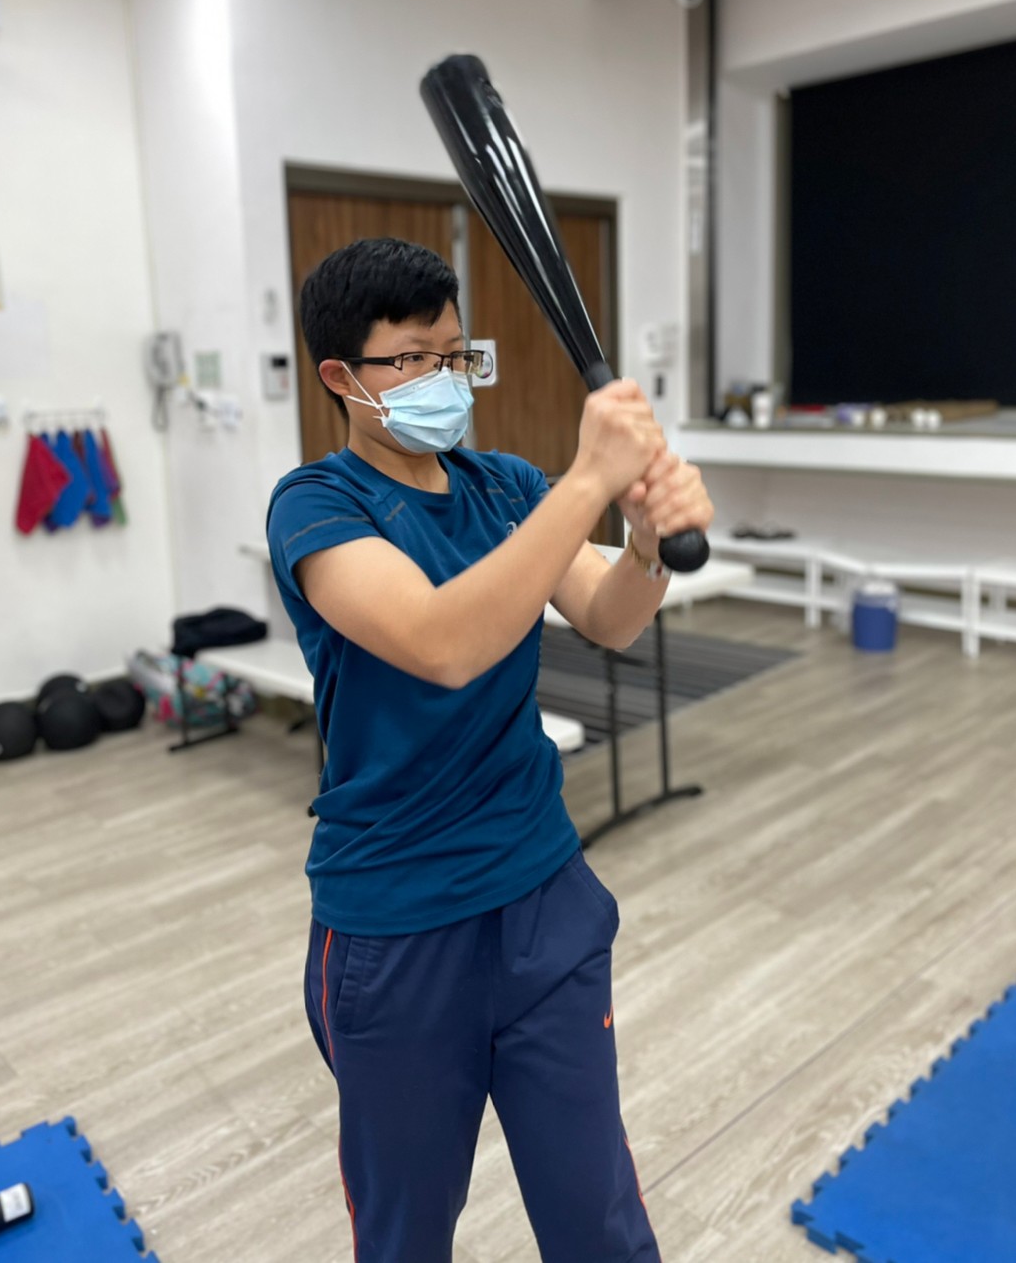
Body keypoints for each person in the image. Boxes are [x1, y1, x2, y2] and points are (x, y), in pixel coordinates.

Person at [266, 237, 714, 1263]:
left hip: (542, 896)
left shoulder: (506, 485)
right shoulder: (316, 505)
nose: (443, 379)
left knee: (599, 1218)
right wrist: (589, 479)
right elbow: (444, 643)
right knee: (407, 1233)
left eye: (455, 355)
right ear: (339, 375)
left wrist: (646, 540)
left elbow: (609, 616)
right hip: (396, 925)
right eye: (412, 359)